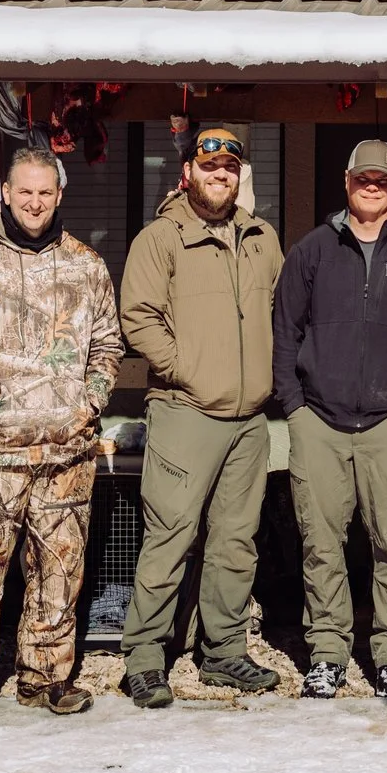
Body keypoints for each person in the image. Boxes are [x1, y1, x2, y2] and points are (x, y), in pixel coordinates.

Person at [0, 146, 123, 730]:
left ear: (59, 196)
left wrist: (90, 400)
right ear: (5, 194)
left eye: (45, 192)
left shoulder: (86, 266)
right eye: (24, 191)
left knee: (59, 572)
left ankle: (46, 677)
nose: (35, 202)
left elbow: (108, 346)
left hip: (65, 452)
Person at [274, 139, 387, 701]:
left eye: (382, 179)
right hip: (319, 424)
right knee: (321, 542)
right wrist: (295, 408)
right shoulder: (311, 252)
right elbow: (284, 333)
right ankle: (327, 652)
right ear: (347, 181)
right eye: (362, 178)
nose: (371, 186)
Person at [115, 125, 286, 708]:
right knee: (170, 536)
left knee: (236, 542)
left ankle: (224, 652)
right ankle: (143, 658)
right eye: (210, 166)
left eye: (231, 167)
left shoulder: (263, 238)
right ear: (188, 171)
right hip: (185, 411)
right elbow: (137, 317)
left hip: (248, 421)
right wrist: (185, 369)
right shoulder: (161, 238)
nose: (221, 175)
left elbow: (277, 311)